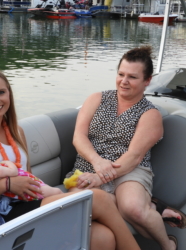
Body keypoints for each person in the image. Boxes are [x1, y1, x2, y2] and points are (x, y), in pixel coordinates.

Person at [0, 68, 140, 249]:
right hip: (2, 216)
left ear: (9, 95)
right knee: (99, 199)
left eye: (1, 92)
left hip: (28, 204)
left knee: (103, 238)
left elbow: (28, 177)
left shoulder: (17, 132)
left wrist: (50, 193)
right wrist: (6, 185)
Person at [68, 46, 183, 250]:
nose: (124, 81)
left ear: (147, 81)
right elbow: (79, 137)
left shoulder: (151, 114)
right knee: (79, 208)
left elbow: (134, 156)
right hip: (89, 164)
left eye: (132, 77)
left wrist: (100, 176)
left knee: (133, 209)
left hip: (129, 171)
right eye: (121, 74)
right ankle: (155, 207)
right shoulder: (97, 99)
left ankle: (168, 244)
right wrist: (97, 163)